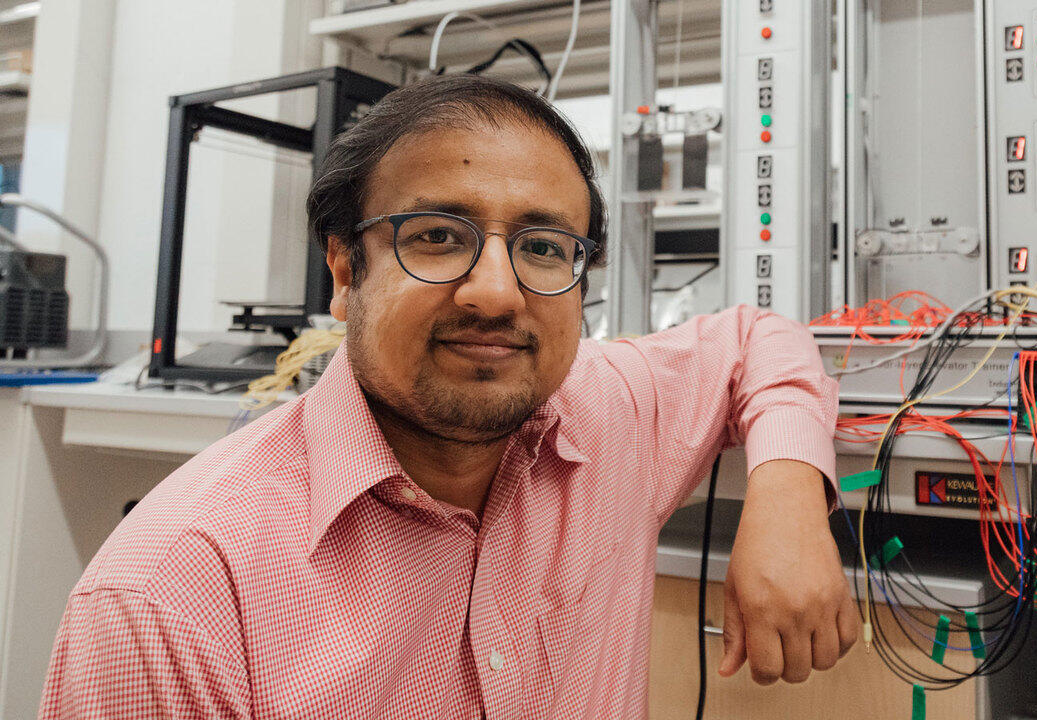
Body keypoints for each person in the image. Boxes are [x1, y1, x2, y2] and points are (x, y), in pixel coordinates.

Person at [40, 75, 854, 719]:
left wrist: (788, 495)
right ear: (345, 269)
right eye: (437, 235)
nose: (495, 293)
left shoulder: (609, 414)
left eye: (542, 246)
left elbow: (760, 339)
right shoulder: (169, 600)